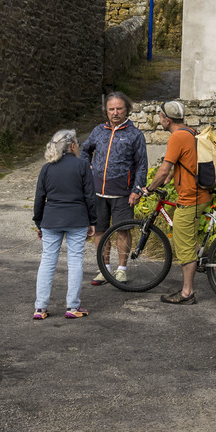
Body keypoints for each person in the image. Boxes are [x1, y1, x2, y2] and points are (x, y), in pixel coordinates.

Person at [141, 100, 209, 304]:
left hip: (191, 198)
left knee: (183, 246)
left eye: (160, 116)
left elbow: (162, 170)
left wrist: (150, 188)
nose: (159, 119)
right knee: (188, 239)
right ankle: (203, 257)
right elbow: (187, 161)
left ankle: (187, 293)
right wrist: (173, 175)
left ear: (166, 119)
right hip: (201, 193)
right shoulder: (190, 132)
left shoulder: (177, 137)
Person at [80, 91, 149, 286]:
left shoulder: (135, 135)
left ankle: (121, 270)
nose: (115, 112)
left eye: (119, 108)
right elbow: (85, 151)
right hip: (97, 192)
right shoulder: (98, 131)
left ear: (126, 110)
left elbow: (142, 165)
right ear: (106, 111)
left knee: (123, 231)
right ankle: (104, 269)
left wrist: (136, 190)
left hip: (123, 193)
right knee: (100, 231)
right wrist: (87, 169)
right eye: (111, 109)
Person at [32, 129, 98, 320]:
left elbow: (39, 198)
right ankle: (72, 306)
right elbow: (89, 197)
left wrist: (39, 222)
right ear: (71, 146)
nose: (78, 145)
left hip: (51, 220)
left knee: (47, 261)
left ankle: (40, 308)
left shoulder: (47, 168)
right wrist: (92, 221)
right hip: (77, 219)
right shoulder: (82, 166)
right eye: (77, 142)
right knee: (75, 261)